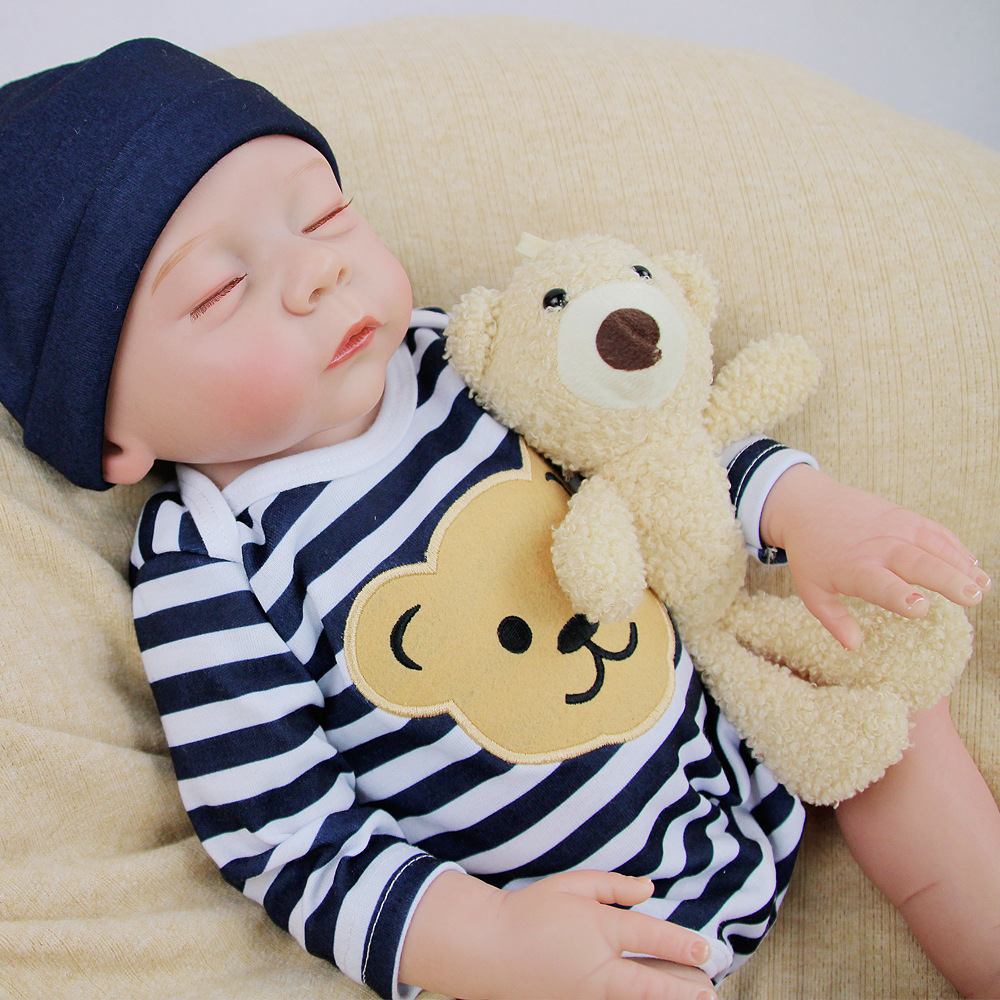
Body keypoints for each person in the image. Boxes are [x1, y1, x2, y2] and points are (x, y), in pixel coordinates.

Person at [0, 38, 995, 1000]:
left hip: (743, 738)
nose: (316, 275)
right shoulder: (211, 562)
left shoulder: (457, 352)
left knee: (889, 709)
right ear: (110, 434)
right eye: (221, 290)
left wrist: (802, 509)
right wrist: (491, 943)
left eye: (327, 216)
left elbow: (655, 443)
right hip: (559, 929)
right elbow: (284, 835)